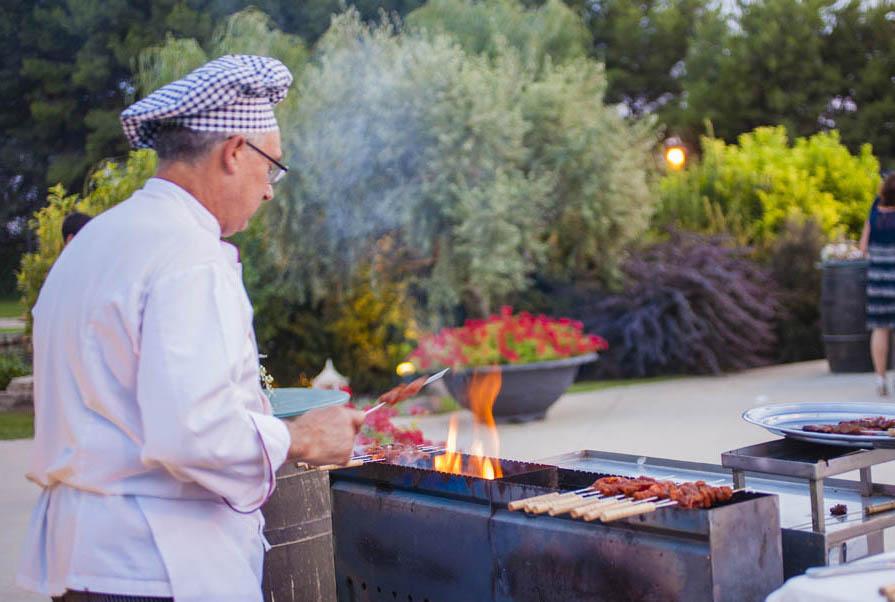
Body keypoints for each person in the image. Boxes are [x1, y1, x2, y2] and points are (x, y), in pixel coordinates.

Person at [17, 55, 365, 602]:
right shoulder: (188, 257)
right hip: (157, 568)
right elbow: (192, 432)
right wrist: (300, 436)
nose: (270, 189)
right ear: (234, 152)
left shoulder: (95, 243)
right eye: (271, 167)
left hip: (82, 560)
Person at [859, 172, 895, 396]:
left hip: (877, 282)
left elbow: (863, 246)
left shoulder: (874, 211)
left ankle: (880, 379)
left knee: (880, 329)